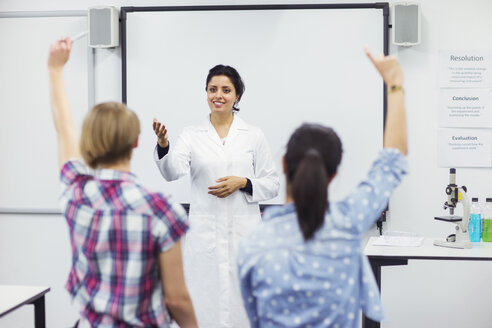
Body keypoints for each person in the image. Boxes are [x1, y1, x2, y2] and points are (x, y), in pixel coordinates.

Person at [237, 48, 408, 328]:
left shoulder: (252, 244)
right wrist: (394, 82)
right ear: (333, 175)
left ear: (283, 163)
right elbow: (393, 159)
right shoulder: (346, 223)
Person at [48, 37, 198, 328]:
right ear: (136, 142)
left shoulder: (76, 194)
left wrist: (55, 70)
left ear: (88, 141)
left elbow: (63, 127)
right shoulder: (160, 209)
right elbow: (177, 300)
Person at [152, 64, 280, 327]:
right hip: (205, 236)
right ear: (206, 93)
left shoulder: (253, 135)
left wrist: (243, 182)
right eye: (212, 89)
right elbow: (172, 171)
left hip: (243, 234)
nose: (218, 95)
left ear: (237, 96)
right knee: (205, 302)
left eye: (226, 90)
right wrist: (164, 145)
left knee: (242, 305)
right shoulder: (191, 134)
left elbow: (272, 183)